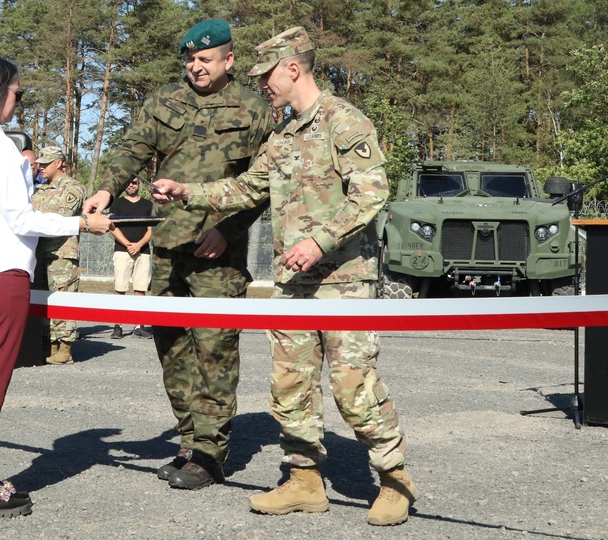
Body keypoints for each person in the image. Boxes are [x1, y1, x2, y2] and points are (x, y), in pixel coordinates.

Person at [152, 27, 417, 526]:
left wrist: (319, 240)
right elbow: (246, 189)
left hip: (342, 282)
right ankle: (304, 481)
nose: (263, 85)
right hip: (292, 288)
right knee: (290, 389)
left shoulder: (346, 123)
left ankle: (394, 480)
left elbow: (372, 195)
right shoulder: (281, 136)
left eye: (267, 74)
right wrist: (186, 190)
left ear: (293, 68)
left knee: (354, 389)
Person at [83, 19, 275, 490]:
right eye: (189, 59)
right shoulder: (164, 102)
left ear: (228, 60)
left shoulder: (254, 110)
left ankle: (211, 454)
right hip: (167, 243)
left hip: (217, 254)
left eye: (205, 59)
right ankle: (189, 441)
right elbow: (133, 148)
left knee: (214, 349)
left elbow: (265, 183)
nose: (195, 67)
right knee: (171, 349)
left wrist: (228, 232)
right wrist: (105, 190)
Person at [0, 54, 112, 519]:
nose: (18, 101)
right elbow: (20, 218)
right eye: (17, 92)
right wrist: (81, 222)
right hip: (2, 271)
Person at [31, 145, 85, 364]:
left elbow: (60, 217)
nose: (40, 167)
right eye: (40, 163)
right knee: (43, 299)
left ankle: (65, 347)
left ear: (59, 163)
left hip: (62, 254)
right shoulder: (40, 189)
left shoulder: (73, 188)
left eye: (45, 163)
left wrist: (37, 216)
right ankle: (49, 343)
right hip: (40, 252)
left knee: (63, 300)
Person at [108, 177, 153, 339]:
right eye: (128, 182)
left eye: (134, 182)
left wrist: (139, 245)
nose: (131, 185)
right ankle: (117, 325)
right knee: (120, 288)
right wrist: (128, 244)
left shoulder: (148, 205)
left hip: (143, 252)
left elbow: (150, 230)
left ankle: (138, 325)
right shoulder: (117, 204)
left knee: (140, 289)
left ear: (139, 184)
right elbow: (112, 227)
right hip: (122, 251)